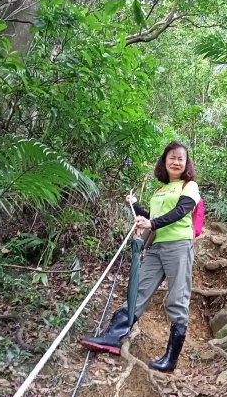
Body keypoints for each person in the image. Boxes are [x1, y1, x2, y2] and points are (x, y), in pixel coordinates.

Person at [81, 141, 200, 373]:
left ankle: (170, 359)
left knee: (177, 298)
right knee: (139, 289)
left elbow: (180, 211)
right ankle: (114, 336)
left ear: (186, 164)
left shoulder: (189, 186)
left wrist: (152, 222)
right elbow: (152, 216)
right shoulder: (159, 190)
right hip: (156, 247)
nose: (176, 162)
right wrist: (136, 207)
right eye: (171, 158)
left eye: (180, 159)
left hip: (179, 246)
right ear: (164, 161)